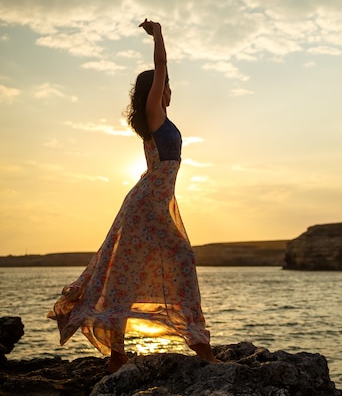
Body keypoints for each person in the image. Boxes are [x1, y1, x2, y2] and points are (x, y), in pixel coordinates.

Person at [48, 19, 219, 373]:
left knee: (128, 274)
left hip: (153, 203)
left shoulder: (160, 119)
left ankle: (121, 354)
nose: (169, 89)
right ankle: (196, 347)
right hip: (147, 205)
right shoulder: (154, 115)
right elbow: (159, 67)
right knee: (175, 263)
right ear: (155, 91)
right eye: (165, 86)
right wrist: (158, 36)